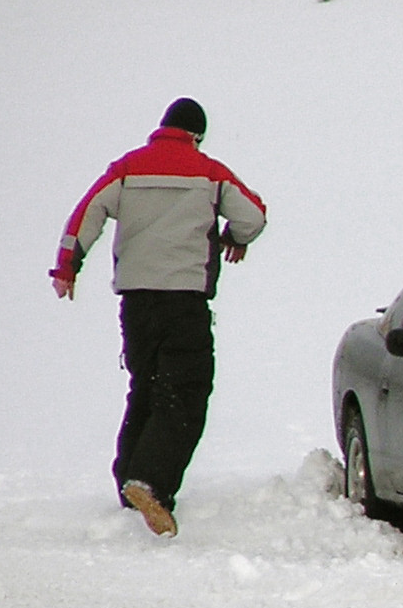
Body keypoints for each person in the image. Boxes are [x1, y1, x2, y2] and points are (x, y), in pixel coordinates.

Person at [52, 98, 266, 537]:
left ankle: (129, 481)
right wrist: (233, 236)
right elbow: (254, 216)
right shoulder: (210, 172)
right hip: (183, 302)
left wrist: (67, 266)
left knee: (145, 388)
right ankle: (150, 483)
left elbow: (85, 213)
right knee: (184, 393)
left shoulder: (128, 168)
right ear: (197, 135)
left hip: (136, 304)